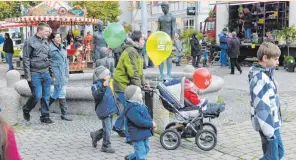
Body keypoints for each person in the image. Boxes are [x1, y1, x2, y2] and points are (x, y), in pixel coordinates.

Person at [248, 42, 284, 160]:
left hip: (274, 123)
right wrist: (269, 132)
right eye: (275, 59)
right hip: (268, 125)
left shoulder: (267, 74)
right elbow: (262, 107)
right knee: (273, 157)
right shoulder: (259, 78)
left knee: (279, 152)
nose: (278, 62)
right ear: (265, 58)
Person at [112, 30, 147, 144]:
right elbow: (132, 71)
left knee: (128, 108)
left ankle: (117, 127)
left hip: (127, 84)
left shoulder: (137, 51)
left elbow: (139, 71)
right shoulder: (131, 51)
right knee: (130, 110)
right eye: (142, 39)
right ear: (136, 40)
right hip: (121, 84)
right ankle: (130, 137)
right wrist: (139, 89)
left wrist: (144, 82)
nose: (144, 41)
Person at [22, 22, 54, 124]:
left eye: (48, 32)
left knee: (46, 96)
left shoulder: (46, 42)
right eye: (46, 31)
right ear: (39, 30)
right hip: (34, 73)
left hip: (45, 73)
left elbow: (49, 59)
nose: (48, 33)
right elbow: (26, 59)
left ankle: (45, 116)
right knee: (37, 96)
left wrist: (52, 74)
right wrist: (28, 76)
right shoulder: (29, 41)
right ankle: (26, 109)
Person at [123, 85, 157, 160]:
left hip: (144, 133)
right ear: (134, 96)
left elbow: (147, 117)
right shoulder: (132, 109)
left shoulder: (140, 105)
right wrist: (151, 124)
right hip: (137, 135)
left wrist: (152, 126)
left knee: (146, 149)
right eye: (140, 93)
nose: (142, 94)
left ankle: (130, 157)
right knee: (141, 153)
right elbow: (139, 122)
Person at [90, 66, 118, 153]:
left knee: (108, 128)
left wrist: (116, 108)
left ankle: (95, 135)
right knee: (108, 128)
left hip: (110, 109)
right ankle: (106, 146)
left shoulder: (107, 83)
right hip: (103, 110)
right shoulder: (96, 85)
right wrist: (103, 86)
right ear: (101, 76)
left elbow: (111, 97)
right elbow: (96, 95)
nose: (109, 75)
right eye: (107, 74)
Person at [48, 32, 73, 121]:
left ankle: (45, 107)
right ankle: (64, 114)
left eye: (60, 37)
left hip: (62, 72)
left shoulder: (62, 47)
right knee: (61, 91)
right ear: (53, 39)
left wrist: (67, 73)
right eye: (57, 37)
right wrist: (52, 75)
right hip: (56, 73)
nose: (59, 39)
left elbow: (66, 62)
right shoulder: (50, 48)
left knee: (56, 92)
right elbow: (49, 63)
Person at [158, 2, 176, 80]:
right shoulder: (160, 18)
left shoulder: (172, 17)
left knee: (168, 57)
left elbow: (173, 28)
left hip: (168, 40)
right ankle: (161, 74)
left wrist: (172, 39)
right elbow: (159, 28)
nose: (163, 9)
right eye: (162, 7)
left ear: (168, 7)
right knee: (160, 57)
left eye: (164, 7)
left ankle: (168, 74)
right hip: (161, 40)